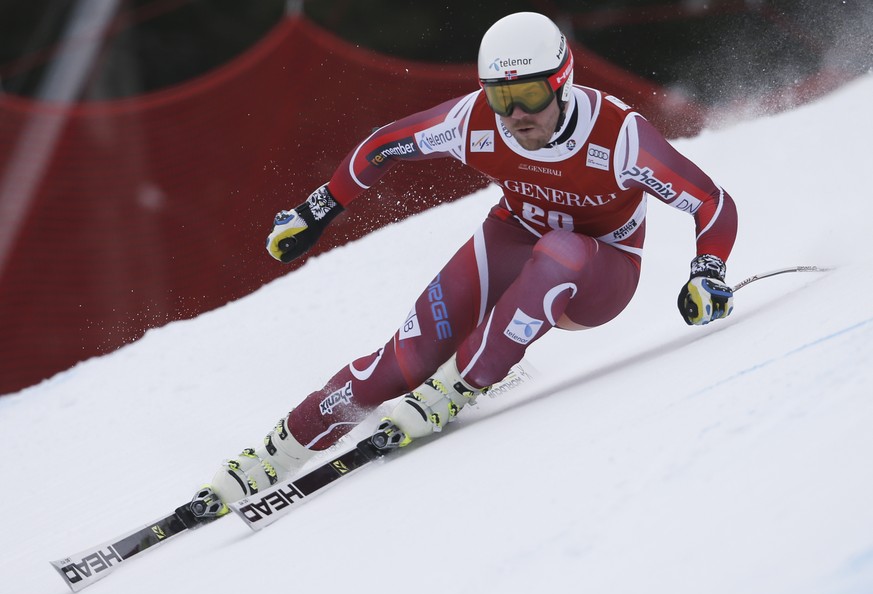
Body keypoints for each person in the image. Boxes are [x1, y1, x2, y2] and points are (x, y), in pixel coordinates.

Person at [194, 12, 738, 516]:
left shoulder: (619, 137)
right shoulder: (472, 121)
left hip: (602, 272)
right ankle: (281, 447)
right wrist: (319, 208)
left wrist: (707, 270)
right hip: (515, 235)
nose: (516, 115)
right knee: (402, 363)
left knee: (563, 251)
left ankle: (463, 381)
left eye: (527, 94)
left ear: (562, 82)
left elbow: (712, 202)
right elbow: (382, 146)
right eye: (502, 99)